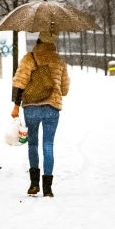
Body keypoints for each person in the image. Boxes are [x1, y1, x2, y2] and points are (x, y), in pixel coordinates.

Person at [11, 31, 70, 197]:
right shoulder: (59, 61)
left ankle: (34, 184)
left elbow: (19, 83)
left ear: (37, 41)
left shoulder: (29, 58)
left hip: (31, 107)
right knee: (48, 145)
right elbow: (64, 90)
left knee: (33, 144)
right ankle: (48, 188)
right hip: (52, 107)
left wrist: (16, 106)